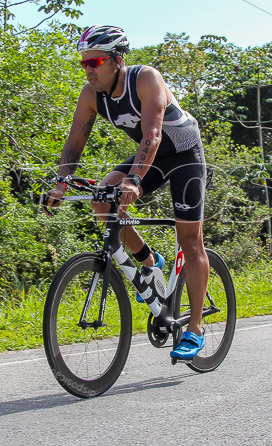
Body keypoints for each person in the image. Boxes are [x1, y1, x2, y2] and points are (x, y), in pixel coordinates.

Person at [42, 25, 209, 360]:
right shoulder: (91, 96)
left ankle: (194, 328)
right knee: (101, 200)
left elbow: (153, 133)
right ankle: (150, 260)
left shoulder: (146, 78)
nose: (89, 69)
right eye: (84, 63)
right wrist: (60, 184)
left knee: (190, 239)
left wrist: (133, 180)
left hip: (183, 156)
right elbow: (74, 144)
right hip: (152, 158)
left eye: (96, 61)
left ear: (117, 60)